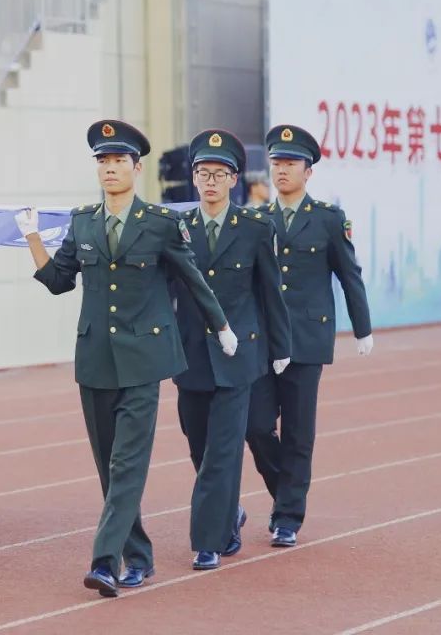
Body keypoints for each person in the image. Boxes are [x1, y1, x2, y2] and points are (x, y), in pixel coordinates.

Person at [14, 119, 236, 598]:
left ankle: (104, 560)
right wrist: (33, 239)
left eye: (119, 161)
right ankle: (139, 556)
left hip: (145, 360)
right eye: (103, 161)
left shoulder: (161, 223)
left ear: (137, 168)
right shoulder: (83, 222)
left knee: (127, 466)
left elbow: (193, 280)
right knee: (107, 467)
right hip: (95, 358)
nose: (110, 168)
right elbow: (58, 282)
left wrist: (221, 326)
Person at [245, 124, 374, 548]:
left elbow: (349, 274)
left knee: (299, 433)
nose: (281, 170)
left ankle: (287, 517)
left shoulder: (328, 220)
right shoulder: (256, 219)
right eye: (277, 163)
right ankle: (286, 492)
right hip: (263, 340)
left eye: (290, 163)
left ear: (308, 171)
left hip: (306, 339)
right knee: (256, 425)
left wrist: (362, 328)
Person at [171, 129, 291, 571]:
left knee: (223, 453)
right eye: (203, 173)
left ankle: (209, 541)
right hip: (190, 356)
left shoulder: (255, 228)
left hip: (238, 358)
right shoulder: (176, 229)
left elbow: (271, 292)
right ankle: (228, 513)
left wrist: (280, 348)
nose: (211, 181)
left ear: (234, 179)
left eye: (219, 174)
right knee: (199, 448)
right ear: (193, 177)